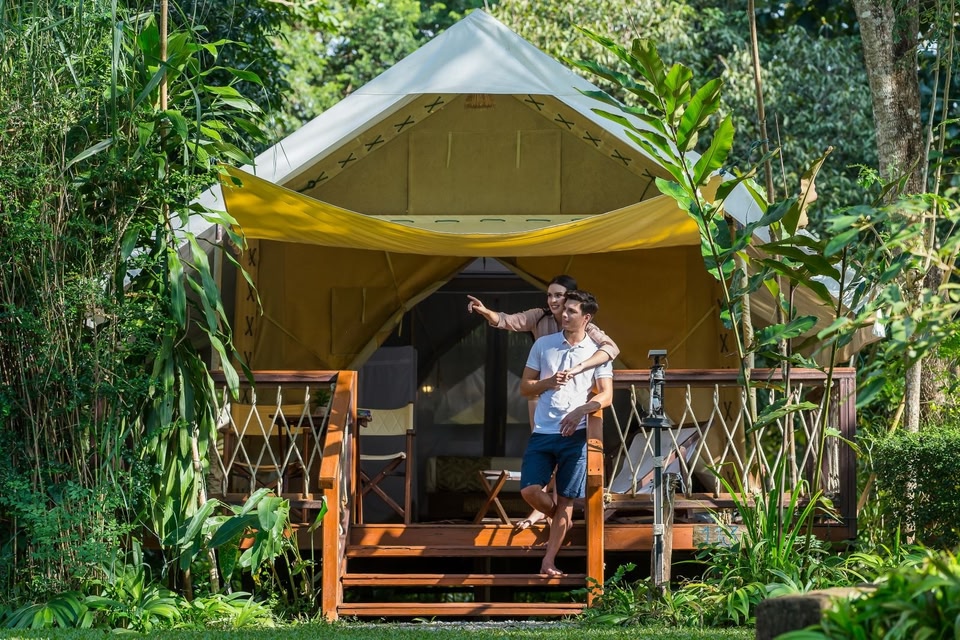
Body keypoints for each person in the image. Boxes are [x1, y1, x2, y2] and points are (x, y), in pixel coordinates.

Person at [466, 275, 620, 530]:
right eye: (549, 295)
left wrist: (580, 368)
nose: (553, 300)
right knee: (545, 452)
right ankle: (547, 511)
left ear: (571, 299)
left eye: (559, 295)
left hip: (571, 400)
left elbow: (610, 349)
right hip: (541, 395)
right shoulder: (540, 317)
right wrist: (486, 312)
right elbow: (509, 321)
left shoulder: (586, 326)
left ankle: (555, 513)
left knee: (565, 456)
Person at [519, 289, 613, 576]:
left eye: (572, 311)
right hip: (543, 432)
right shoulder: (543, 344)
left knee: (566, 500)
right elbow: (524, 388)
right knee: (529, 490)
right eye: (564, 309)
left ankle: (548, 561)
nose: (564, 314)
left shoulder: (597, 353)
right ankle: (561, 519)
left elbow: (606, 395)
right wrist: (547, 383)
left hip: (576, 434)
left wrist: (581, 410)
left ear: (587, 318)